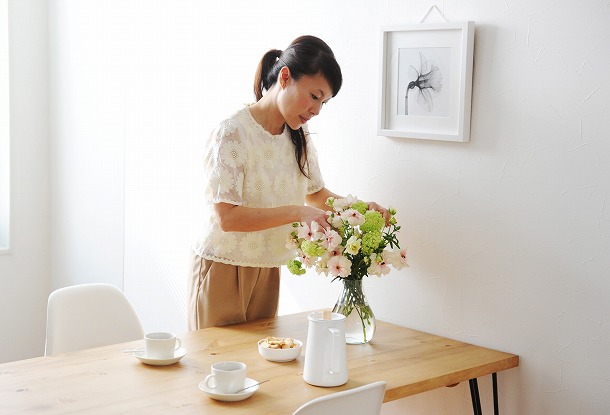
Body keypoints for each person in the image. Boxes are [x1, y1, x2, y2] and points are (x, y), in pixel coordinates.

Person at [188, 35, 389, 330]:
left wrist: (362, 209)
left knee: (262, 372)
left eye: (324, 102)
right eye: (314, 96)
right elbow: (227, 218)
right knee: (215, 367)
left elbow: (316, 194)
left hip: (267, 268)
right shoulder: (232, 133)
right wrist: (297, 213)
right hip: (222, 266)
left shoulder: (298, 136)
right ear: (285, 77)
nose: (317, 109)